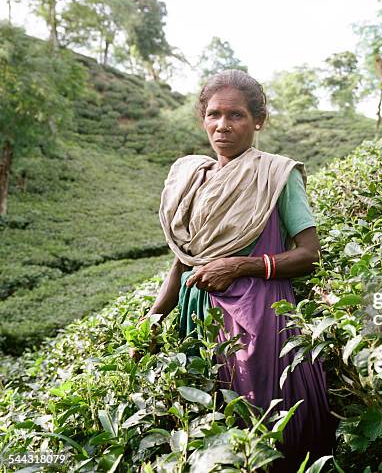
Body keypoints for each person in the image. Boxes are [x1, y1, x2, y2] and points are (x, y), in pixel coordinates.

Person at [135, 69, 337, 470]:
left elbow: (310, 253)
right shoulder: (193, 179)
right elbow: (183, 261)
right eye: (214, 115)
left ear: (258, 120)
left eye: (236, 115)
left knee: (267, 430)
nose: (222, 126)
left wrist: (241, 265)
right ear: (203, 119)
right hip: (199, 318)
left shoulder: (277, 175)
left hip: (258, 321)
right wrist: (151, 320)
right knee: (212, 430)